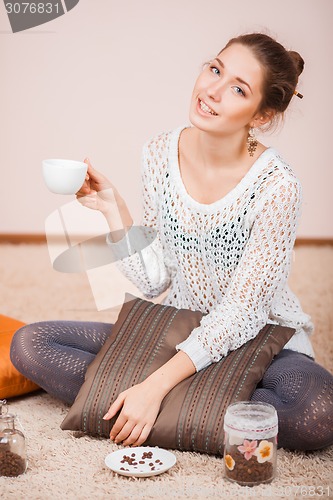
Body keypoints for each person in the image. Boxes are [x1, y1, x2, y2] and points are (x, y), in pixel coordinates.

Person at [11, 33, 333, 452]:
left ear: (261, 116)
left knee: (316, 410)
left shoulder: (278, 187)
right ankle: (193, 410)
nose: (212, 90)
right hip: (175, 329)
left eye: (238, 88)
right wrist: (115, 211)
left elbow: (241, 313)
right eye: (214, 69)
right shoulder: (159, 153)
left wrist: (155, 385)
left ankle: (148, 402)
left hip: (260, 338)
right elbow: (154, 280)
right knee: (30, 344)